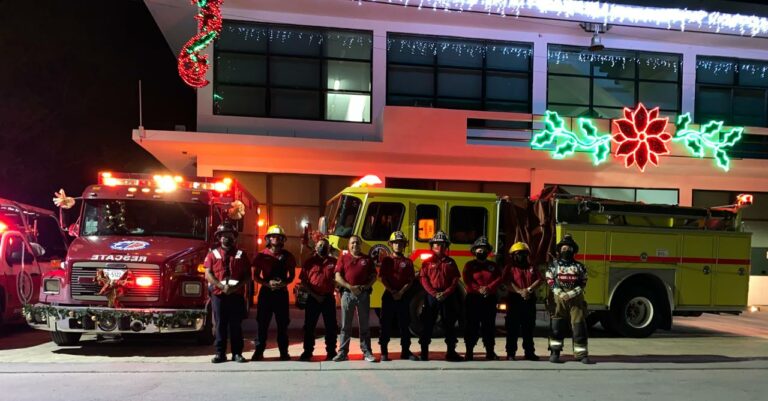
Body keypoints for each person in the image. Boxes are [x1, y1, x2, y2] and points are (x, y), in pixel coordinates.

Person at [204, 222, 251, 364]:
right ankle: (220, 354)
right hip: (219, 295)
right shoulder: (212, 255)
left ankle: (237, 354)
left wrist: (235, 288)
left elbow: (248, 276)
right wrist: (220, 286)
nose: (226, 238)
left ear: (234, 237)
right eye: (223, 235)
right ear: (219, 238)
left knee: (236, 325)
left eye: (229, 235)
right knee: (220, 325)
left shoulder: (241, 254)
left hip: (235, 296)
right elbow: (208, 274)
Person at [252, 224, 296, 361]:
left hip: (281, 294)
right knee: (262, 324)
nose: (276, 239)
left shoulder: (288, 256)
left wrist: (285, 283)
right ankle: (258, 352)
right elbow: (255, 276)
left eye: (279, 237)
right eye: (273, 237)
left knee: (282, 324)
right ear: (268, 239)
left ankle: (284, 352)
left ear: (283, 239)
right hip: (266, 294)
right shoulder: (261, 256)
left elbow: (292, 276)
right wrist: (267, 283)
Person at [546, 234, 592, 364]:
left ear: (573, 250)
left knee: (579, 327)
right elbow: (549, 280)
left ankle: (581, 354)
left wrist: (571, 294)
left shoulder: (580, 267)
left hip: (575, 299)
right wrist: (560, 293)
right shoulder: (553, 266)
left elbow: (583, 282)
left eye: (569, 249)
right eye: (564, 248)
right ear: (559, 250)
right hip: (558, 299)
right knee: (556, 327)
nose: (566, 251)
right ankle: (555, 352)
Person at [419, 230, 463, 362]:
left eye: (443, 245)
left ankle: (451, 352)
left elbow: (455, 280)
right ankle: (424, 353)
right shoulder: (426, 263)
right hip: (432, 297)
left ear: (446, 247)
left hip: (447, 296)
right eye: (437, 244)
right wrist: (433, 293)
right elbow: (423, 279)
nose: (440, 247)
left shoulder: (451, 262)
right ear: (432, 246)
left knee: (449, 325)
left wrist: (446, 293)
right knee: (427, 324)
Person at [334, 235, 377, 362]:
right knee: (345, 326)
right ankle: (342, 353)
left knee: (364, 325)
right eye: (352, 243)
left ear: (361, 245)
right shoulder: (343, 258)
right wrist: (350, 287)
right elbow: (337, 276)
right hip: (347, 294)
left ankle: (367, 352)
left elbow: (374, 276)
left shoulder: (367, 259)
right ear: (349, 245)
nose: (355, 245)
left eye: (357, 243)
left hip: (363, 295)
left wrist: (365, 287)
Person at [378, 231, 417, 361]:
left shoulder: (408, 262)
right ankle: (384, 352)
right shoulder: (386, 260)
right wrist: (392, 291)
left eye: (400, 243)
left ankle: (405, 351)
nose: (398, 245)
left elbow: (410, 280)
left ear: (404, 245)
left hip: (403, 296)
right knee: (385, 325)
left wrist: (401, 292)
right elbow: (382, 278)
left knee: (405, 324)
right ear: (391, 244)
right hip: (389, 296)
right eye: (395, 243)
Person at [298, 238, 338, 362]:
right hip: (313, 299)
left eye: (325, 245)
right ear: (315, 247)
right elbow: (304, 281)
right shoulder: (309, 262)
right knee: (309, 326)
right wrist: (315, 295)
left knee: (331, 326)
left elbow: (339, 278)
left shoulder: (334, 262)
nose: (322, 247)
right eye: (320, 245)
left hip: (328, 298)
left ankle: (331, 351)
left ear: (329, 247)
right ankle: (307, 351)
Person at [463, 236, 502, 361]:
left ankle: (490, 352)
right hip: (473, 299)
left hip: (489, 299)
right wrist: (478, 289)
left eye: (484, 249)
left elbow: (498, 279)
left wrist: (488, 289)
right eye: (479, 249)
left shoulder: (493, 266)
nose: (481, 251)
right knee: (471, 326)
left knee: (489, 327)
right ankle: (469, 352)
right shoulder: (469, 265)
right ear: (474, 251)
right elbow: (467, 280)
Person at [504, 241, 542, 361]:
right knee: (512, 328)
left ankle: (529, 352)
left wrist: (528, 290)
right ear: (513, 256)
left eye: (524, 253)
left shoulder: (532, 267)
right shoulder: (509, 268)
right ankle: (511, 353)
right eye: (518, 254)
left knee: (528, 328)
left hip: (529, 300)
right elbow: (506, 282)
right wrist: (520, 291)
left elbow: (540, 279)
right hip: (514, 300)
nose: (521, 256)